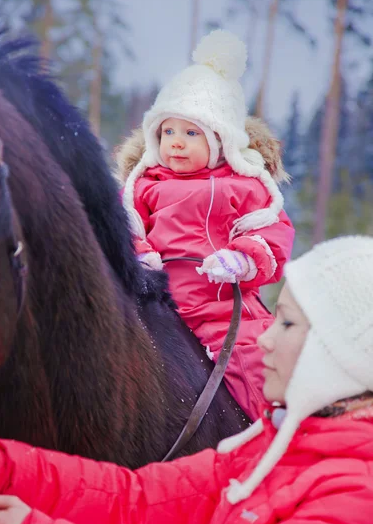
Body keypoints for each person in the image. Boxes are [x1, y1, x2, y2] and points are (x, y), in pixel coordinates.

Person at [0, 234, 373, 524]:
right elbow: (136, 503)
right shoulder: (280, 451)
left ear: (336, 352)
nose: (264, 339)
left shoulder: (355, 501)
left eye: (286, 323)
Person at [118, 30, 294, 420]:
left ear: (220, 140)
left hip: (222, 310)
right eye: (168, 132)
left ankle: (268, 429)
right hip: (158, 305)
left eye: (191, 133)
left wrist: (242, 259)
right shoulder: (146, 186)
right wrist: (141, 257)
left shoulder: (243, 186)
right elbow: (125, 227)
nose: (176, 143)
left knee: (254, 360)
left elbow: (272, 232)